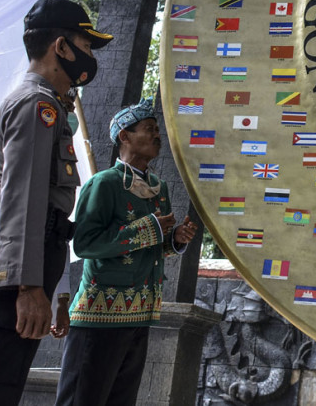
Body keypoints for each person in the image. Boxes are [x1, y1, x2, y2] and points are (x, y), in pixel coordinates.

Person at [0, 0, 112, 405]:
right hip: (11, 274)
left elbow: (48, 215)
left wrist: (55, 292)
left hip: (26, 262)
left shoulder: (49, 106)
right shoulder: (37, 105)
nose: (90, 56)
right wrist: (27, 287)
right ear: (61, 47)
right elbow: (23, 204)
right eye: (86, 45)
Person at [56, 100, 197, 405]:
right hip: (99, 316)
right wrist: (149, 228)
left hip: (141, 313)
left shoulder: (159, 188)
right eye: (149, 129)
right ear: (125, 136)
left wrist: (174, 240)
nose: (157, 135)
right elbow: (85, 244)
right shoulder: (103, 184)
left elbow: (150, 247)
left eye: (157, 130)